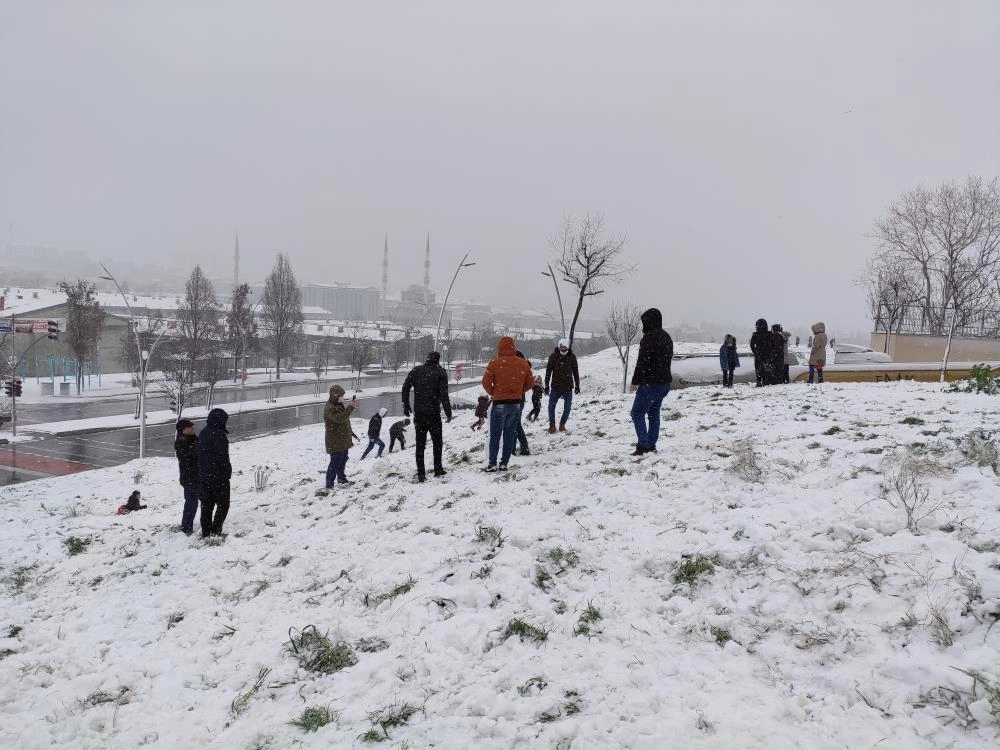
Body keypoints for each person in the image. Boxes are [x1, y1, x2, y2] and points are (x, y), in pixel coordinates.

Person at [482, 336, 534, 471]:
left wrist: (494, 392)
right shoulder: (522, 363)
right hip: (516, 404)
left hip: (499, 403)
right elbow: (530, 382)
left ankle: (492, 463)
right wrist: (519, 391)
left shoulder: (494, 363)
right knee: (509, 434)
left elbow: (486, 383)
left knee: (495, 435)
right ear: (513, 347)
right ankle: (504, 462)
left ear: (499, 348)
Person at [402, 351, 453, 482]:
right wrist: (448, 412)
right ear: (437, 360)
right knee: (437, 443)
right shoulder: (441, 373)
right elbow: (444, 395)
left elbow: (405, 387)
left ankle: (421, 474)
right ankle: (438, 469)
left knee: (420, 444)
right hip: (434, 414)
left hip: (419, 414)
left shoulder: (416, 370)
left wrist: (406, 405)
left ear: (427, 358)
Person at [630, 308, 673, 456]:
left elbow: (642, 362)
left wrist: (635, 381)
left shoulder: (648, 339)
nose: (643, 325)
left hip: (651, 383)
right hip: (664, 383)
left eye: (645, 322)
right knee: (654, 412)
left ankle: (643, 445)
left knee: (637, 412)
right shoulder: (666, 337)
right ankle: (651, 444)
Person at [198, 408, 232, 538]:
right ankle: (216, 531)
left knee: (206, 506)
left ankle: (206, 532)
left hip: (204, 477)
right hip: (218, 477)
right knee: (223, 504)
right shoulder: (218, 434)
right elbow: (222, 456)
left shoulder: (203, 432)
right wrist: (226, 472)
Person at [545, 338, 580, 433]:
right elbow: (548, 371)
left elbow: (575, 371)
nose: (563, 349)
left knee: (567, 407)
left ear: (567, 347)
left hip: (568, 387)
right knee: (551, 407)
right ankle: (552, 426)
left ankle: (562, 425)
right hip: (555, 386)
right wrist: (546, 385)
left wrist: (577, 385)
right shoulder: (553, 356)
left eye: (564, 347)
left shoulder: (572, 357)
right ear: (558, 347)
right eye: (561, 347)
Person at [324, 385, 357, 487]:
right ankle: (329, 485)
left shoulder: (339, 404)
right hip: (335, 441)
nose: (342, 397)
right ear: (335, 395)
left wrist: (351, 433)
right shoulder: (329, 407)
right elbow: (339, 419)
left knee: (343, 460)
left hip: (342, 439)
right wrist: (350, 407)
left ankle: (342, 479)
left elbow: (345, 421)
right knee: (335, 463)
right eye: (341, 395)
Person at [173, 419, 199, 535]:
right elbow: (191, 455)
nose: (193, 428)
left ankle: (190, 525)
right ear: (184, 430)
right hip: (189, 478)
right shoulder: (181, 441)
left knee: (195, 501)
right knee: (191, 503)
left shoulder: (192, 437)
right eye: (190, 427)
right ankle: (186, 527)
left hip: (197, 476)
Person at [513, 351, 531, 456]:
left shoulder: (521, 368)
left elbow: (529, 382)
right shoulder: (524, 367)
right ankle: (523, 447)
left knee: (515, 424)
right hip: (519, 398)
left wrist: (520, 390)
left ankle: (520, 448)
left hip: (517, 398)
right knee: (515, 423)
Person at [750, 318, 774, 387]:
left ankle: (759, 381)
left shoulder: (755, 334)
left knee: (758, 368)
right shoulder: (769, 334)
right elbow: (773, 344)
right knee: (766, 368)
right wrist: (771, 351)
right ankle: (765, 381)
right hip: (767, 354)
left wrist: (755, 352)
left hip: (759, 354)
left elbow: (752, 345)